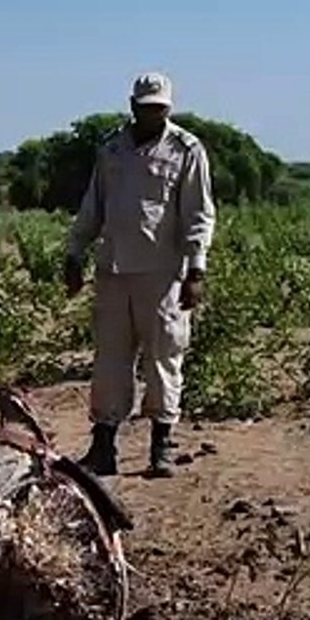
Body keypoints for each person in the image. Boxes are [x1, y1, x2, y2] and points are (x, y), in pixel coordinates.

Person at [63, 72, 216, 478]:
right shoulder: (111, 149)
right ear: (133, 106)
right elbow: (93, 206)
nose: (153, 114)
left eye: (160, 108)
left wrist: (196, 269)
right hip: (114, 271)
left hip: (163, 274)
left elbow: (199, 215)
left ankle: (161, 445)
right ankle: (104, 446)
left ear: (169, 108)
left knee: (164, 359)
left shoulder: (187, 150)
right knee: (110, 362)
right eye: (146, 108)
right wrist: (74, 252)